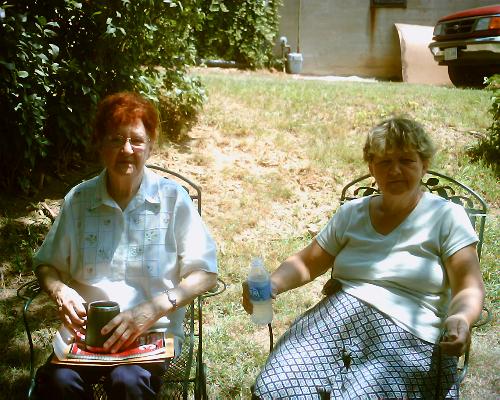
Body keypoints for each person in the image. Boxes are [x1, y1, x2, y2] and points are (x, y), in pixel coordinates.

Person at [242, 117, 485, 399]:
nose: (395, 170)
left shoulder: (446, 217)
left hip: (408, 334)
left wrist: (461, 318)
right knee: (277, 386)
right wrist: (271, 285)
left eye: (406, 160)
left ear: (424, 164)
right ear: (371, 168)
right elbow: (307, 263)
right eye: (384, 162)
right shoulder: (352, 214)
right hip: (335, 321)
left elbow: (468, 287)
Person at [33, 91, 218, 400]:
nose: (126, 150)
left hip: (150, 335)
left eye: (137, 141)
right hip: (85, 338)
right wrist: (60, 291)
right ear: (99, 144)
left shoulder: (172, 200)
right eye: (116, 140)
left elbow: (206, 274)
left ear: (151, 146)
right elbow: (47, 264)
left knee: (128, 382)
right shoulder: (79, 200)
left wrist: (156, 307)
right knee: (58, 383)